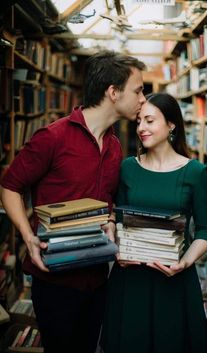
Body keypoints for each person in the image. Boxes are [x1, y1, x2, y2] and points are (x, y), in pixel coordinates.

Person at [0, 50, 146, 353]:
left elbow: (106, 201)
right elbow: (9, 185)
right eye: (138, 90)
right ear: (113, 92)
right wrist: (27, 237)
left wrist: (109, 221)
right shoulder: (53, 137)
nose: (143, 98)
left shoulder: (115, 146)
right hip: (55, 280)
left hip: (97, 277)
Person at [101, 92, 207, 353]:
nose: (141, 128)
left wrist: (185, 262)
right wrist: (115, 247)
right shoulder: (128, 167)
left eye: (150, 121)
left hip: (174, 283)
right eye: (139, 121)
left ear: (171, 124)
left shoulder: (195, 172)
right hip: (130, 282)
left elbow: (206, 231)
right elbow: (115, 220)